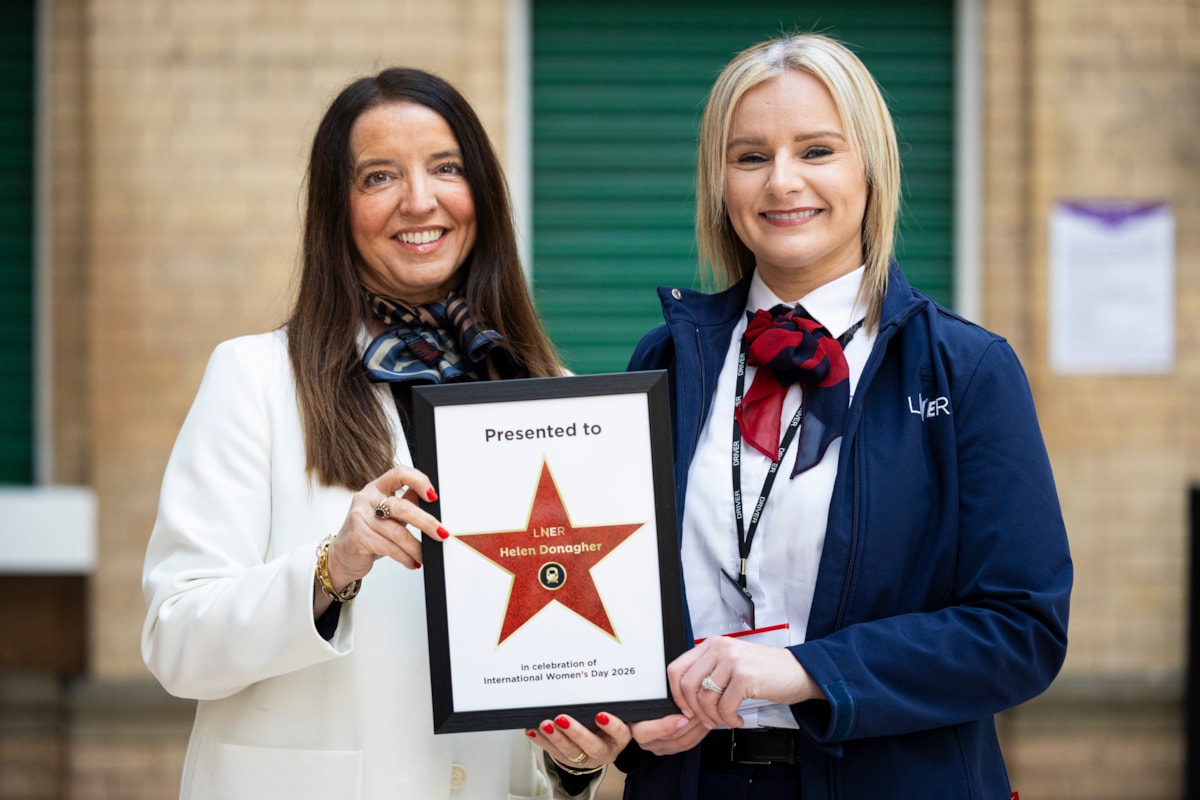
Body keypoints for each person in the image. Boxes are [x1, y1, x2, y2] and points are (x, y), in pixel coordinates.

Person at [587, 33, 1072, 799]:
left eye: (816, 150)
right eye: (750, 157)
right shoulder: (666, 361)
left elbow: (1021, 630)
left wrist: (809, 670)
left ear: (870, 169)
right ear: (721, 183)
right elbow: (613, 591)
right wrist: (609, 708)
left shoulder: (968, 370)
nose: (782, 182)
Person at [141, 67, 625, 800]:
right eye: (378, 177)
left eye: (446, 168)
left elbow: (555, 671)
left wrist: (573, 761)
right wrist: (333, 566)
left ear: (482, 197)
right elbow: (175, 642)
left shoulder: (555, 398)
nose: (420, 201)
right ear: (338, 209)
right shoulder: (255, 379)